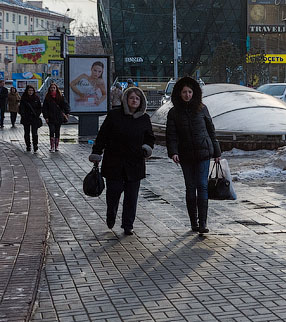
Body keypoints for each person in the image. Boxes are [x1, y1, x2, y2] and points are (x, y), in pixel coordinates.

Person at [88, 86, 154, 236]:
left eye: (137, 98)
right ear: (126, 99)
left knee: (132, 196)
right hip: (114, 162)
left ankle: (128, 225)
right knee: (113, 193)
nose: (134, 100)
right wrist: (97, 152)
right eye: (131, 98)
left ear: (141, 101)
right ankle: (111, 214)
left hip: (135, 162)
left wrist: (146, 148)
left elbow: (150, 137)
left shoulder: (144, 118)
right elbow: (102, 135)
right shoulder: (114, 115)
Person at [165, 77, 221, 234]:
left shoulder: (202, 108)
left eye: (190, 92)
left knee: (202, 186)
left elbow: (211, 130)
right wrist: (173, 152)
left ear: (194, 92)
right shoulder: (174, 112)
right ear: (179, 93)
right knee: (190, 187)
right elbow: (171, 134)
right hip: (185, 155)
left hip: (203, 152)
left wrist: (217, 152)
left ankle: (203, 223)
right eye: (184, 92)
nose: (187, 95)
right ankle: (193, 222)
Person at [42, 82, 71, 152]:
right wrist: (46, 117)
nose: (52, 89)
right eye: (51, 88)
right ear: (49, 89)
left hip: (59, 117)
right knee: (52, 131)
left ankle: (56, 146)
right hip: (50, 117)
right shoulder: (47, 97)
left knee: (57, 131)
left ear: (56, 89)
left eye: (54, 88)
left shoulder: (60, 97)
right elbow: (44, 108)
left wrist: (67, 113)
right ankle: (52, 146)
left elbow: (65, 105)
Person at [19, 85, 42, 153]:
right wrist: (23, 115)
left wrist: (37, 114)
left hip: (34, 118)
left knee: (34, 133)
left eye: (32, 90)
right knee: (27, 133)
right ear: (27, 91)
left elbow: (39, 108)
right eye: (29, 90)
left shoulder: (36, 98)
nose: (30, 92)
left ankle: (35, 145)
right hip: (26, 118)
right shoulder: (24, 98)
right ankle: (28, 145)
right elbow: (21, 109)